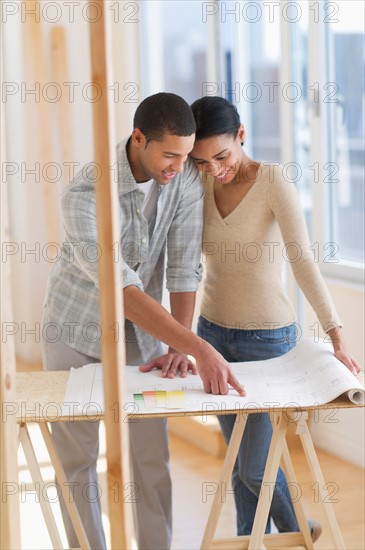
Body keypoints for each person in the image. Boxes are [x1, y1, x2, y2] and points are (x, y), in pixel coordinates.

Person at [41, 92, 245, 550]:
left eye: (185, 154)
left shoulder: (185, 178)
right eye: (169, 154)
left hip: (144, 337)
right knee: (76, 462)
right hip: (74, 332)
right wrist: (200, 348)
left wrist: (178, 345)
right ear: (139, 139)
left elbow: (184, 264)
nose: (179, 165)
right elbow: (122, 290)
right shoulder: (85, 193)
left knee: (152, 459)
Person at [186, 96, 361, 539]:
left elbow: (302, 260)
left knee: (253, 467)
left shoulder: (273, 182)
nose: (215, 169)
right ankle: (277, 535)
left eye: (222, 156)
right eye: (202, 161)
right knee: (241, 463)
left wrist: (336, 335)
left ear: (241, 135)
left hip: (268, 343)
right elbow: (181, 257)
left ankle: (288, 531)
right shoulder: (197, 181)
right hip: (214, 339)